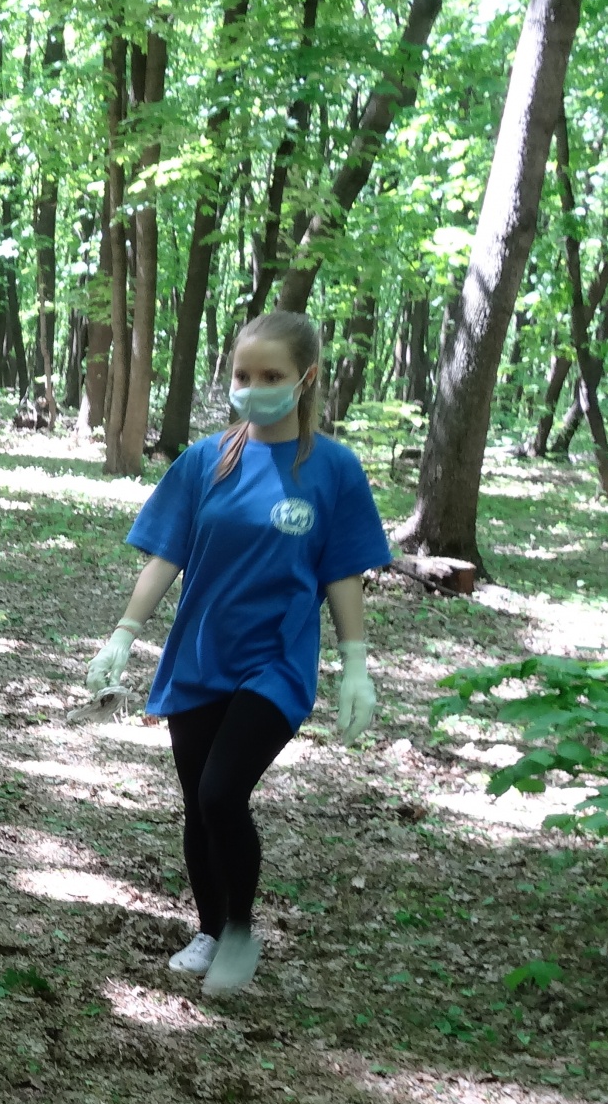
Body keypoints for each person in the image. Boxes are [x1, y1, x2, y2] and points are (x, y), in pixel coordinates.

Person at [85, 310, 388, 997]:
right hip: (198, 657)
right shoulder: (205, 460)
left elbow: (342, 571)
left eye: (271, 376)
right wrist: (125, 632)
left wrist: (356, 662)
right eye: (243, 375)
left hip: (274, 665)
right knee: (196, 801)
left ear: (304, 379)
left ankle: (240, 928)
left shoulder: (332, 470)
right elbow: (167, 552)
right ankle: (208, 928)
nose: (254, 388)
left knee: (224, 793)